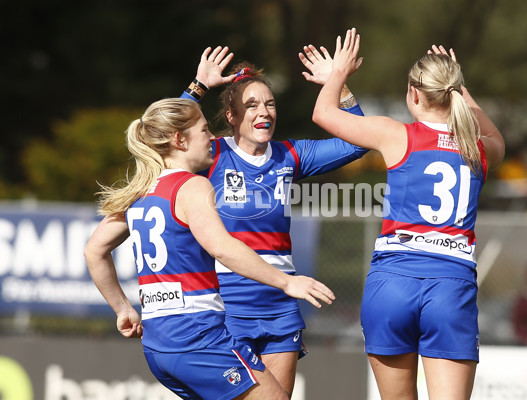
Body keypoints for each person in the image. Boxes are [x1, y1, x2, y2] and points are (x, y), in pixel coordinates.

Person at [83, 96, 336, 400]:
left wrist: (123, 309)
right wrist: (287, 281)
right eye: (204, 130)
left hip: (157, 344)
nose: (213, 137)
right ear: (179, 139)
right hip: (197, 336)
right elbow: (222, 247)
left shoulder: (143, 189)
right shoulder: (191, 186)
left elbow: (94, 250)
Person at [312, 29, 505, 400]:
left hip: (392, 282)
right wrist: (462, 89)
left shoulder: (396, 134)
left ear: (414, 95)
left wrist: (338, 74)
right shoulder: (479, 149)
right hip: (450, 285)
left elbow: (323, 113)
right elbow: (497, 137)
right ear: (455, 95)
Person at [178, 45, 368, 397]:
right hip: (227, 309)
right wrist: (198, 87)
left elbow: (357, 143)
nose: (263, 112)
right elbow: (164, 134)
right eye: (251, 105)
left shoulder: (290, 155)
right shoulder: (214, 154)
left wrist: (339, 86)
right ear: (232, 117)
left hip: (280, 308)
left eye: (269, 104)